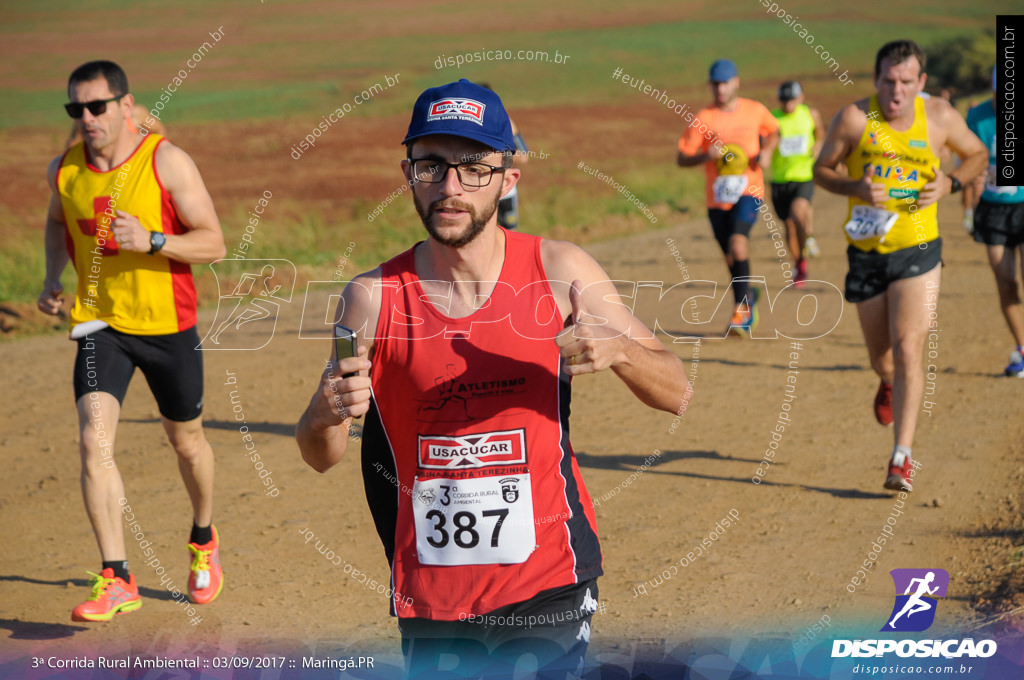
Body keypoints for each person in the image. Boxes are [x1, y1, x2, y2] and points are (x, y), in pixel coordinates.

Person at [296, 79, 690, 678]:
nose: (451, 188)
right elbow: (319, 454)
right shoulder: (371, 299)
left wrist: (620, 352)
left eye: (474, 168)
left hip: (549, 579)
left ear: (509, 179)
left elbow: (676, 392)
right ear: (409, 174)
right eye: (432, 166)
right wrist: (327, 412)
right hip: (429, 590)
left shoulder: (559, 271)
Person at [37, 60, 227, 621]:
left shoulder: (165, 160)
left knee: (187, 442)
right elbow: (55, 221)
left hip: (168, 327)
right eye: (77, 109)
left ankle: (203, 539)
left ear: (125, 105)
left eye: (97, 106)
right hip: (101, 327)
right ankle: (116, 576)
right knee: (94, 444)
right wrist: (51, 277)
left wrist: (153, 239)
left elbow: (213, 243)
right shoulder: (64, 171)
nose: (87, 118)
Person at [813, 40, 986, 492]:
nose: (896, 92)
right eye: (888, 81)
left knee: (910, 347)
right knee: (883, 357)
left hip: (919, 249)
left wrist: (949, 183)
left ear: (921, 83)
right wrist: (855, 185)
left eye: (906, 82)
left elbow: (978, 155)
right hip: (867, 251)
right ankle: (887, 381)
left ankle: (901, 456)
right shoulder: (853, 119)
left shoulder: (941, 117)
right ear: (875, 80)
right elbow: (820, 170)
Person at [677, 59, 779, 337]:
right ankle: (748, 296)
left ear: (736, 82)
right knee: (730, 255)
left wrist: (767, 151)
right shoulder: (704, 118)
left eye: (724, 83)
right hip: (717, 199)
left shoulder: (755, 110)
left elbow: (774, 131)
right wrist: (703, 156)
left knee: (738, 243)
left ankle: (741, 310)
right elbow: (681, 158)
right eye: (715, 84)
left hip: (749, 190)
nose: (720, 89)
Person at [966, 66, 1024, 377]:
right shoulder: (977, 118)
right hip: (993, 210)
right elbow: (966, 157)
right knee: (1006, 284)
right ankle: (1022, 347)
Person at [769, 81, 825, 287]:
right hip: (780, 180)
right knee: (789, 226)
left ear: (801, 98)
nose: (788, 106)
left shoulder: (810, 114)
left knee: (797, 214)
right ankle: (799, 261)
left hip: (804, 175)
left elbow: (819, 131)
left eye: (792, 100)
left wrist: (818, 144)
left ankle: (804, 252)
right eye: (784, 101)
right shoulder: (772, 118)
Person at [478, 82, 529, 230]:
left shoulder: (506, 123)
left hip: (505, 192)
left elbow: (524, 156)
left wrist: (495, 156)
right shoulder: (468, 125)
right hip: (478, 191)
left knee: (509, 234)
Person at [65, 103, 166, 149]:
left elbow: (159, 130)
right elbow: (72, 144)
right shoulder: (86, 119)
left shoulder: (136, 115)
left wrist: (150, 152)